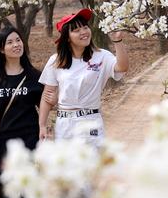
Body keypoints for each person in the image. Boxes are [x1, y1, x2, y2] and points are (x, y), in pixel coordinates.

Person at [38, 8, 129, 146]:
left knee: (92, 164)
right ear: (67, 37)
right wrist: (42, 126)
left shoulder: (101, 56)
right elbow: (47, 95)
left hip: (90, 120)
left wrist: (118, 41)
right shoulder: (56, 61)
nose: (84, 32)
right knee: (67, 165)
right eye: (76, 30)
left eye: (85, 27)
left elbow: (122, 67)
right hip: (64, 123)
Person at [0, 25, 44, 198]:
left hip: (28, 139)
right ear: (1, 49)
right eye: (10, 42)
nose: (16, 45)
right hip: (3, 139)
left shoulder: (34, 76)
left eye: (18, 40)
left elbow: (46, 105)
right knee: (2, 186)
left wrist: (44, 129)